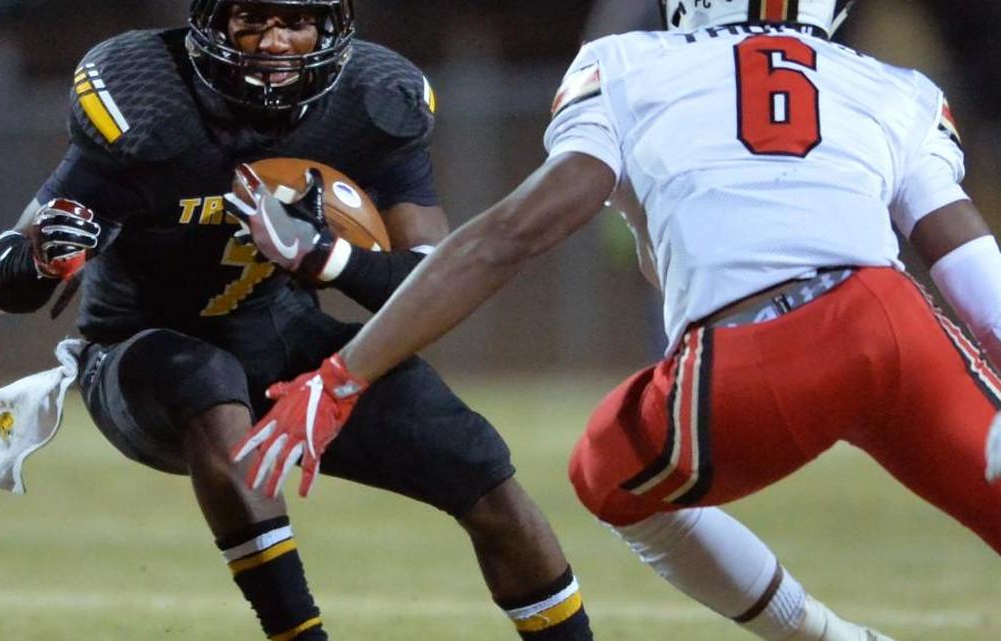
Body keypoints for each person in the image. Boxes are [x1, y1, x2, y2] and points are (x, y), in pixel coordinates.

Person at [237, 1, 1001, 640]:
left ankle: (828, 638)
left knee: (606, 471)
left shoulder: (630, 64)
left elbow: (512, 235)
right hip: (895, 322)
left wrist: (343, 375)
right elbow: (968, 265)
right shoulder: (893, 86)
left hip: (760, 354)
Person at [0, 1, 597, 640]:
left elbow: (433, 284)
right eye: (252, 18)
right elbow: (1, 285)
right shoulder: (148, 98)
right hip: (137, 355)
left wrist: (326, 255)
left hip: (277, 333)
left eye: (295, 21)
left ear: (329, 29)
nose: (275, 41)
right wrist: (45, 259)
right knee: (204, 380)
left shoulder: (373, 102)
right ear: (212, 25)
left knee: (475, 462)